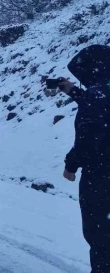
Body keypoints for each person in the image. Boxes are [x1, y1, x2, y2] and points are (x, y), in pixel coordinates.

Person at [59, 44, 110, 272]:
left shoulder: (96, 95)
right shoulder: (101, 93)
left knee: (100, 237)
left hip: (100, 177)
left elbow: (87, 137)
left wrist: (71, 165)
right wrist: (74, 92)